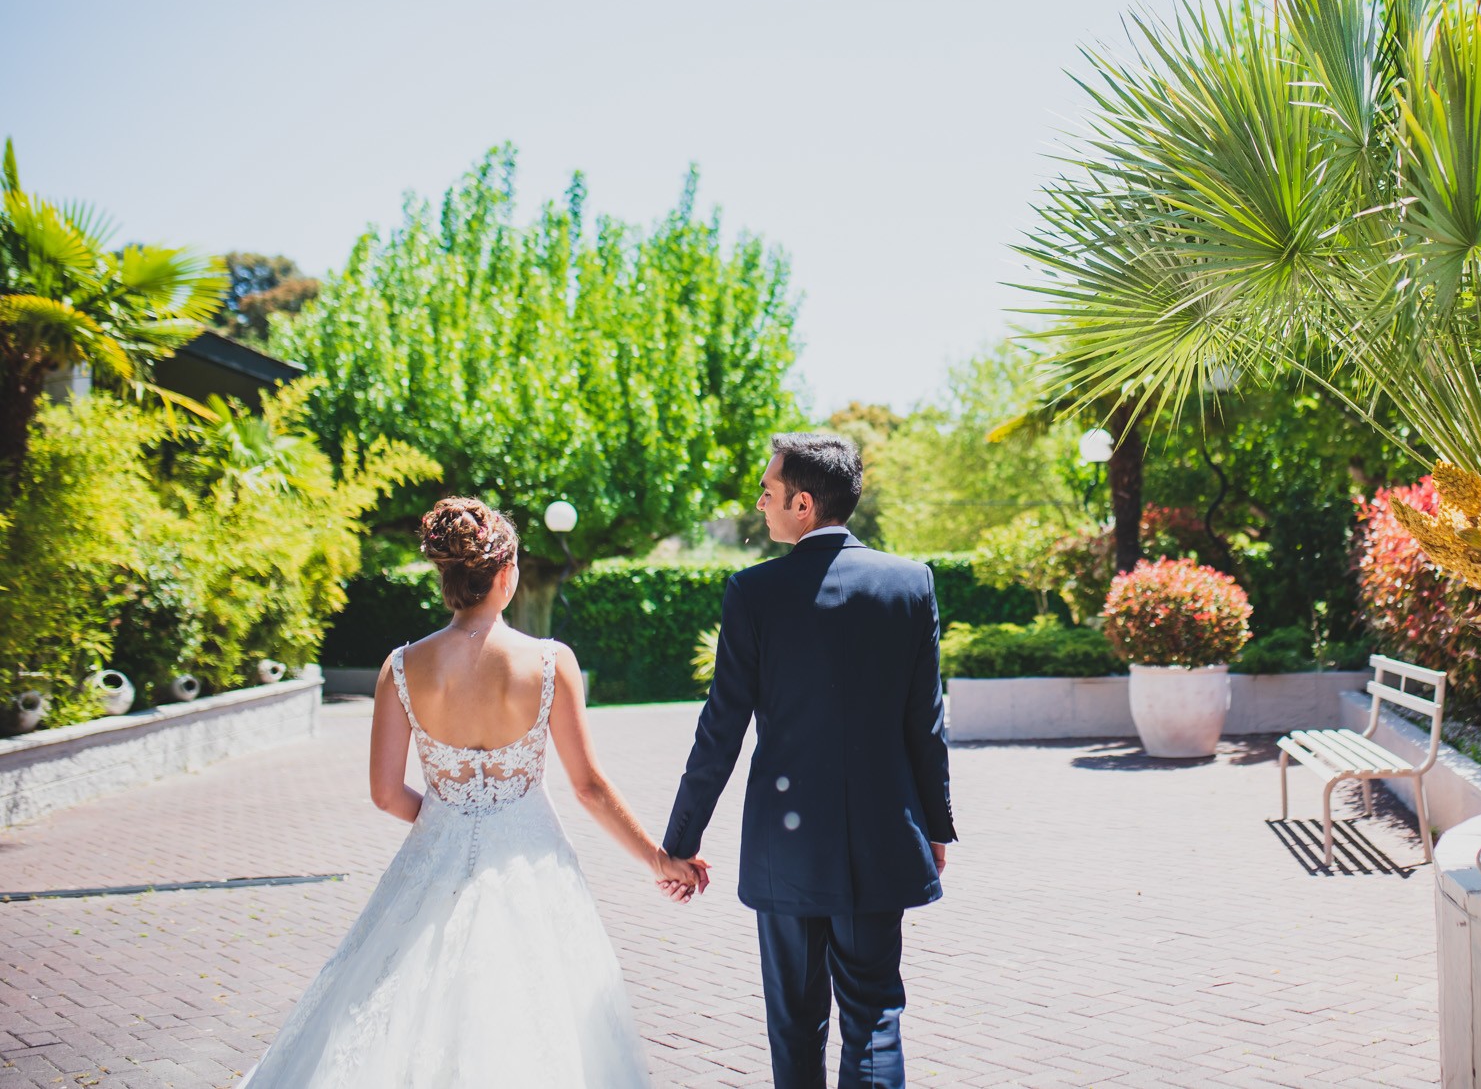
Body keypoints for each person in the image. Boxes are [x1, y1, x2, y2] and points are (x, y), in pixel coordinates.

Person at [247, 496, 703, 1088]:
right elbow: (588, 787)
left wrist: (447, 820)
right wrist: (657, 858)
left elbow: (385, 794)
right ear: (507, 573)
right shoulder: (549, 662)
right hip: (533, 864)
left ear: (447, 576)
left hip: (433, 860)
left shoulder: (401, 667)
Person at [662, 432, 957, 1089]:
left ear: (801, 502)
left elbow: (721, 730)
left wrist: (679, 843)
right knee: (875, 1018)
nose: (760, 503)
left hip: (787, 848)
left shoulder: (754, 591)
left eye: (768, 492)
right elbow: (926, 723)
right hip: (884, 837)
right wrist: (935, 824)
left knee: (795, 1025)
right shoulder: (910, 583)